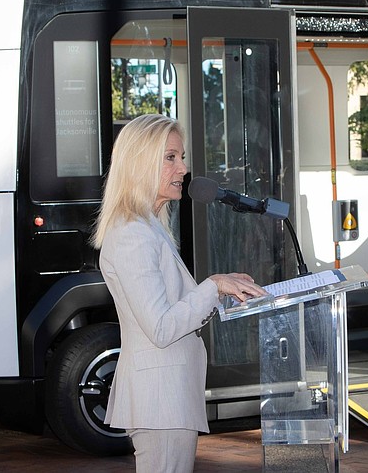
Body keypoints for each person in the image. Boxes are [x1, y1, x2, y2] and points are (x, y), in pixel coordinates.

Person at [92, 114, 267, 472]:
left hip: (167, 396)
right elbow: (161, 327)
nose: (184, 168)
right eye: (171, 157)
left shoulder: (149, 228)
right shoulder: (131, 234)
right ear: (140, 162)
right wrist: (213, 286)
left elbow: (174, 306)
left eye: (181, 156)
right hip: (160, 399)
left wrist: (221, 286)